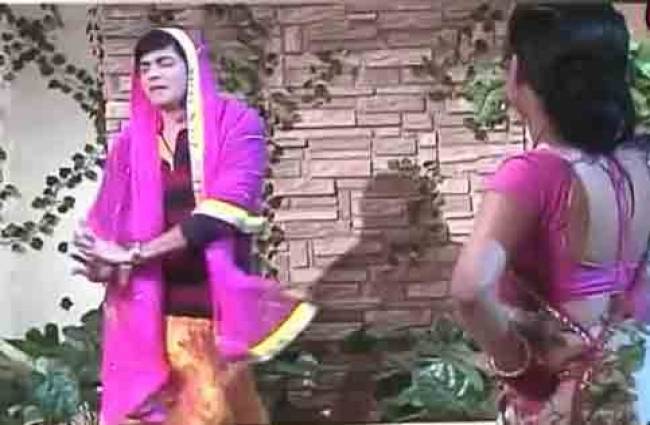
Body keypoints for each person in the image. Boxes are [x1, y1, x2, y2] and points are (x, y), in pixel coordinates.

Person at [71, 28, 317, 425]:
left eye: (165, 63)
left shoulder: (235, 123)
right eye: (145, 67)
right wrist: (102, 263)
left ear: (192, 68)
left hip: (210, 311)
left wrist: (133, 254)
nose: (153, 74)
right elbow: (110, 228)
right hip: (149, 316)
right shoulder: (130, 144)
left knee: (215, 413)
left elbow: (220, 215)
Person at [450, 3, 650, 424]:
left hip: (561, 402)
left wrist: (523, 372)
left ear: (518, 70)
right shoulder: (641, 161)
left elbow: (471, 287)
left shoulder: (536, 174)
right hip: (635, 391)